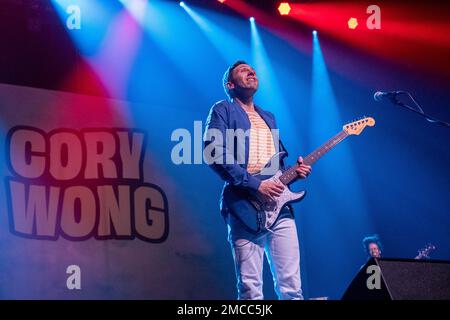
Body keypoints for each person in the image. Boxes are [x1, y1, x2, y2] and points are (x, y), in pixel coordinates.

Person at [203, 60, 311, 300]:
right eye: (243, 71)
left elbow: (274, 164)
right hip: (244, 206)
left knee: (292, 288)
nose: (251, 71)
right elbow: (213, 152)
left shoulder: (269, 117)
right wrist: (256, 185)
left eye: (252, 69)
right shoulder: (223, 109)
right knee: (251, 291)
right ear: (230, 85)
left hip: (279, 209)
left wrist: (293, 172)